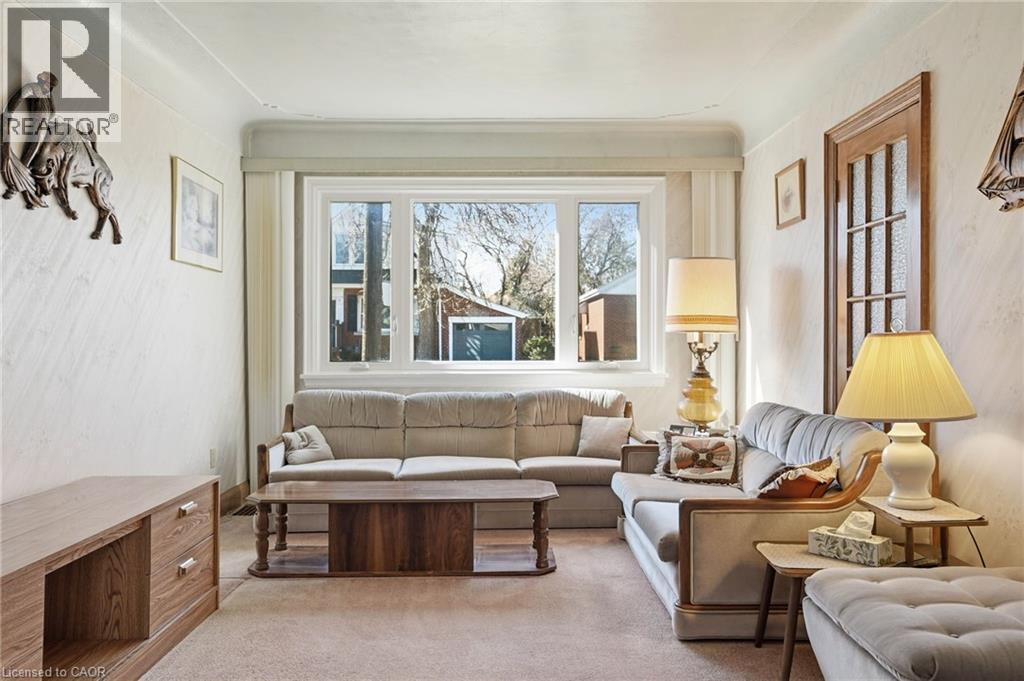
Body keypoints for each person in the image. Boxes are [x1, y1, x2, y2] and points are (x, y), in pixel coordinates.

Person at [1, 71, 59, 206]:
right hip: (37, 126)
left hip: (44, 128)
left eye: (50, 85)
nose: (49, 86)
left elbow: (53, 112)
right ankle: (15, 184)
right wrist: (8, 115)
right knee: (31, 152)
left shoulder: (48, 95)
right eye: (48, 82)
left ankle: (32, 182)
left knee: (39, 156)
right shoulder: (32, 87)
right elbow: (17, 99)